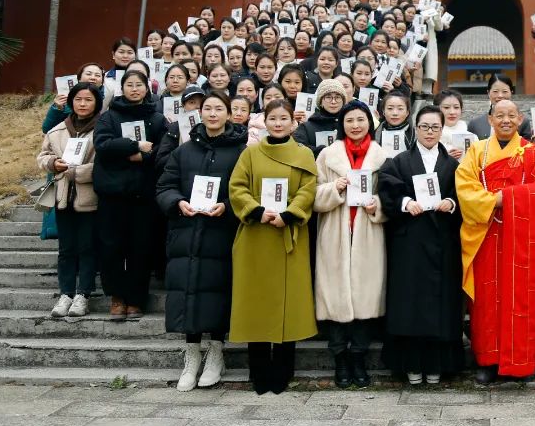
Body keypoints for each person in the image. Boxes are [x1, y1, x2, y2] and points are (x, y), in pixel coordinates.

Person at [455, 99, 535, 384]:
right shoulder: (476, 151)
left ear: (521, 118)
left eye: (512, 115)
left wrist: (505, 199)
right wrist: (495, 202)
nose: (506, 120)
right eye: (500, 115)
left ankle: (521, 362)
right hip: (486, 236)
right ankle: (488, 361)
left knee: (521, 298)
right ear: (490, 119)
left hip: (522, 239)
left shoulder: (532, 153)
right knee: (487, 301)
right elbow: (465, 188)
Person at [155, 91, 248, 391]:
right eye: (207, 108)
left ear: (229, 114)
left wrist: (228, 207)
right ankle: (191, 355)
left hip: (221, 233)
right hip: (186, 232)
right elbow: (165, 185)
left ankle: (217, 354)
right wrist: (177, 202)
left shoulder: (241, 151)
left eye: (218, 109)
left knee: (217, 291)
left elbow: (248, 190)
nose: (212, 114)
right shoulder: (184, 151)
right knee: (188, 291)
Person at [228, 98, 318, 395]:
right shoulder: (250, 154)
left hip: (288, 234)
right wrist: (257, 210)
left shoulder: (304, 154)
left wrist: (289, 214)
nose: (278, 123)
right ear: (264, 122)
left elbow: (308, 189)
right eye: (273, 118)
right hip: (257, 235)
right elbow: (237, 187)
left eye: (284, 118)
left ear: (293, 122)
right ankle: (259, 372)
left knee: (287, 306)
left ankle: (282, 370)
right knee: (257, 305)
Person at [378, 106, 464, 385]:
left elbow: (463, 195)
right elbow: (387, 187)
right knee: (409, 304)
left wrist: (451, 203)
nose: (429, 132)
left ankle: (437, 364)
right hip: (410, 243)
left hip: (443, 243)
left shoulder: (453, 166)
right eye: (424, 127)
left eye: (435, 127)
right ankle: (411, 365)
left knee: (440, 304)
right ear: (415, 128)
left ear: (442, 130)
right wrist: (405, 202)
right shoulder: (400, 161)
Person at [313, 101, 389, 389]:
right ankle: (340, 360)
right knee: (335, 297)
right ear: (341, 124)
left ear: (370, 122)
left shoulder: (382, 157)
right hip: (335, 232)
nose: (355, 125)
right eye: (349, 120)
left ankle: (358, 358)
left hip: (368, 233)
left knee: (364, 295)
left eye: (360, 119)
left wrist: (377, 206)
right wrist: (335, 188)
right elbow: (312, 195)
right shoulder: (327, 156)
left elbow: (391, 196)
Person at [93, 70, 169, 320]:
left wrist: (145, 156)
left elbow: (163, 151)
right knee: (111, 247)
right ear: (121, 88)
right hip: (112, 194)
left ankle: (136, 299)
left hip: (144, 196)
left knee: (140, 247)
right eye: (129, 85)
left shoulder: (157, 118)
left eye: (139, 85)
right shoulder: (109, 117)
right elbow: (103, 146)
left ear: (147, 88)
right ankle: (116, 297)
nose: (134, 89)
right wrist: (135, 147)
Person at [37, 82, 100, 319]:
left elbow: (106, 165)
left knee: (87, 247)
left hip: (90, 199)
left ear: (96, 103)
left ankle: (83, 294)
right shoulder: (58, 130)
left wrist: (77, 172)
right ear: (71, 101)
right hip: (63, 198)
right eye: (78, 99)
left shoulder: (102, 130)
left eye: (88, 100)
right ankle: (66, 293)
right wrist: (53, 164)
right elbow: (43, 156)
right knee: (66, 249)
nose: (82, 104)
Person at [467, 74, 533, 140]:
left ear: (511, 93)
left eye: (505, 91)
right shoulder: (475, 124)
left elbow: (527, 147)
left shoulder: (523, 122)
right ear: (488, 93)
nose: (500, 95)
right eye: (495, 91)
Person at [294, 78, 345, 158]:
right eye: (328, 97)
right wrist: (325, 152)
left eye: (338, 97)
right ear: (320, 101)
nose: (333, 101)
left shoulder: (349, 124)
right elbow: (298, 149)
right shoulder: (306, 127)